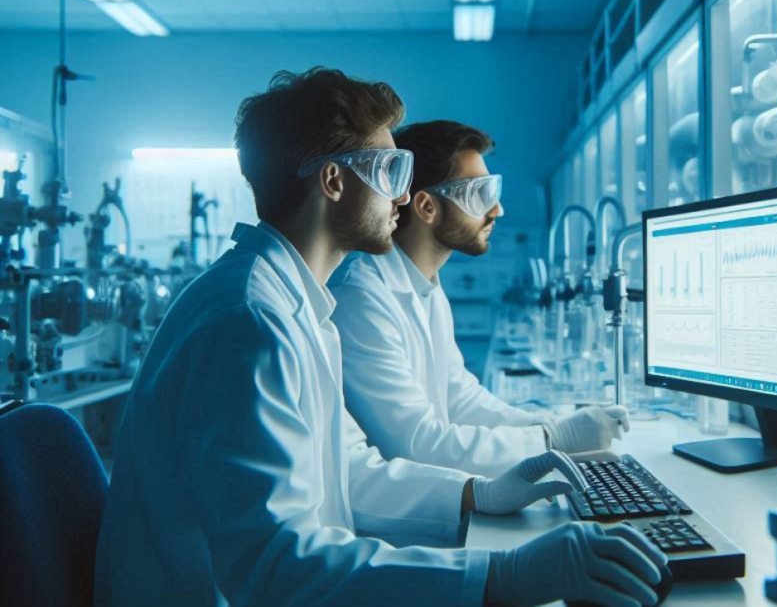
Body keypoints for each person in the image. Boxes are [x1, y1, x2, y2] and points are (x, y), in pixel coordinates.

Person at [94, 68, 666, 607]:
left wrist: (474, 494)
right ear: (335, 180)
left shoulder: (294, 304)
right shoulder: (250, 322)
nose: (401, 198)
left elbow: (349, 471)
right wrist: (501, 576)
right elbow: (275, 566)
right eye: (391, 173)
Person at [331, 120, 629, 477]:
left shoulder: (425, 285)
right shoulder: (361, 298)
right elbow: (415, 443)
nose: (497, 210)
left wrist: (549, 424)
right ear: (427, 207)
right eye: (480, 194)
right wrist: (553, 439)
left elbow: (460, 397)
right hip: (403, 507)